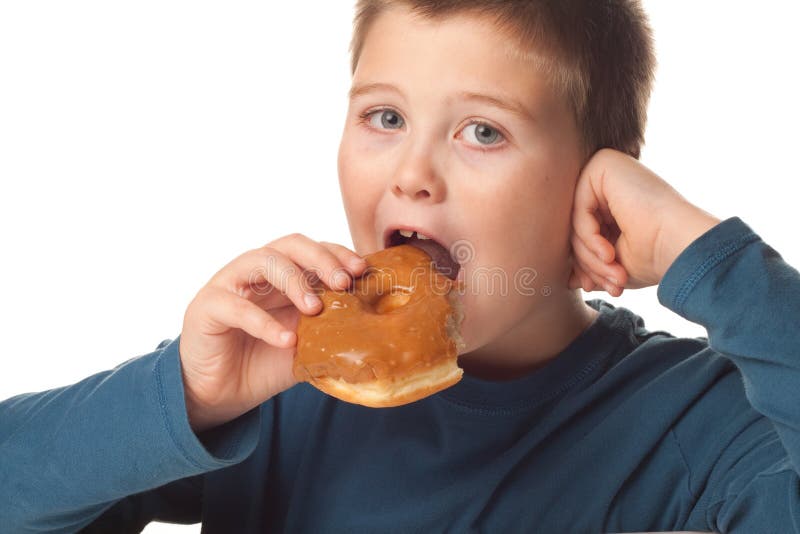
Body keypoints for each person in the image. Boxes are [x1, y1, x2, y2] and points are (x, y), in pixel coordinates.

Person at [2, 1, 798, 532]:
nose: (411, 173)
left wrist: (707, 253)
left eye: (482, 132)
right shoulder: (288, 376)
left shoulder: (699, 421)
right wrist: (186, 397)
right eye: (385, 117)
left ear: (602, 188)